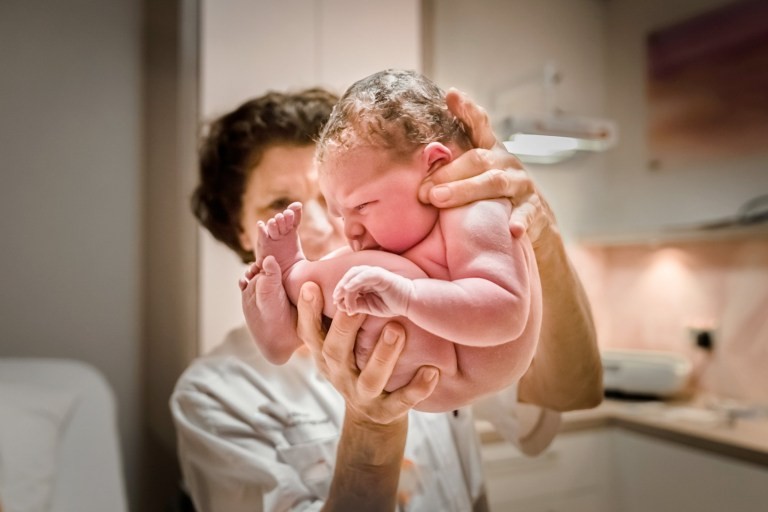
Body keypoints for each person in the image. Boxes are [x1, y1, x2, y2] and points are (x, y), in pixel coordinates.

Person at [172, 86, 602, 512]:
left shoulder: (441, 292)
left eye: (338, 202)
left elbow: (572, 391)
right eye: (282, 204)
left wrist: (534, 235)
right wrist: (371, 426)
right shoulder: (215, 396)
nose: (324, 226)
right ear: (242, 230)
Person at [243, 70, 541, 412]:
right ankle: (286, 326)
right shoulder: (424, 232)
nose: (350, 230)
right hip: (439, 358)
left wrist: (407, 296)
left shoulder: (477, 210)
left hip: (462, 360)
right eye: (342, 214)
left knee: (376, 269)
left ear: (436, 164)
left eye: (362, 206)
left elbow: (505, 314)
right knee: (358, 266)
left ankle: (291, 279)